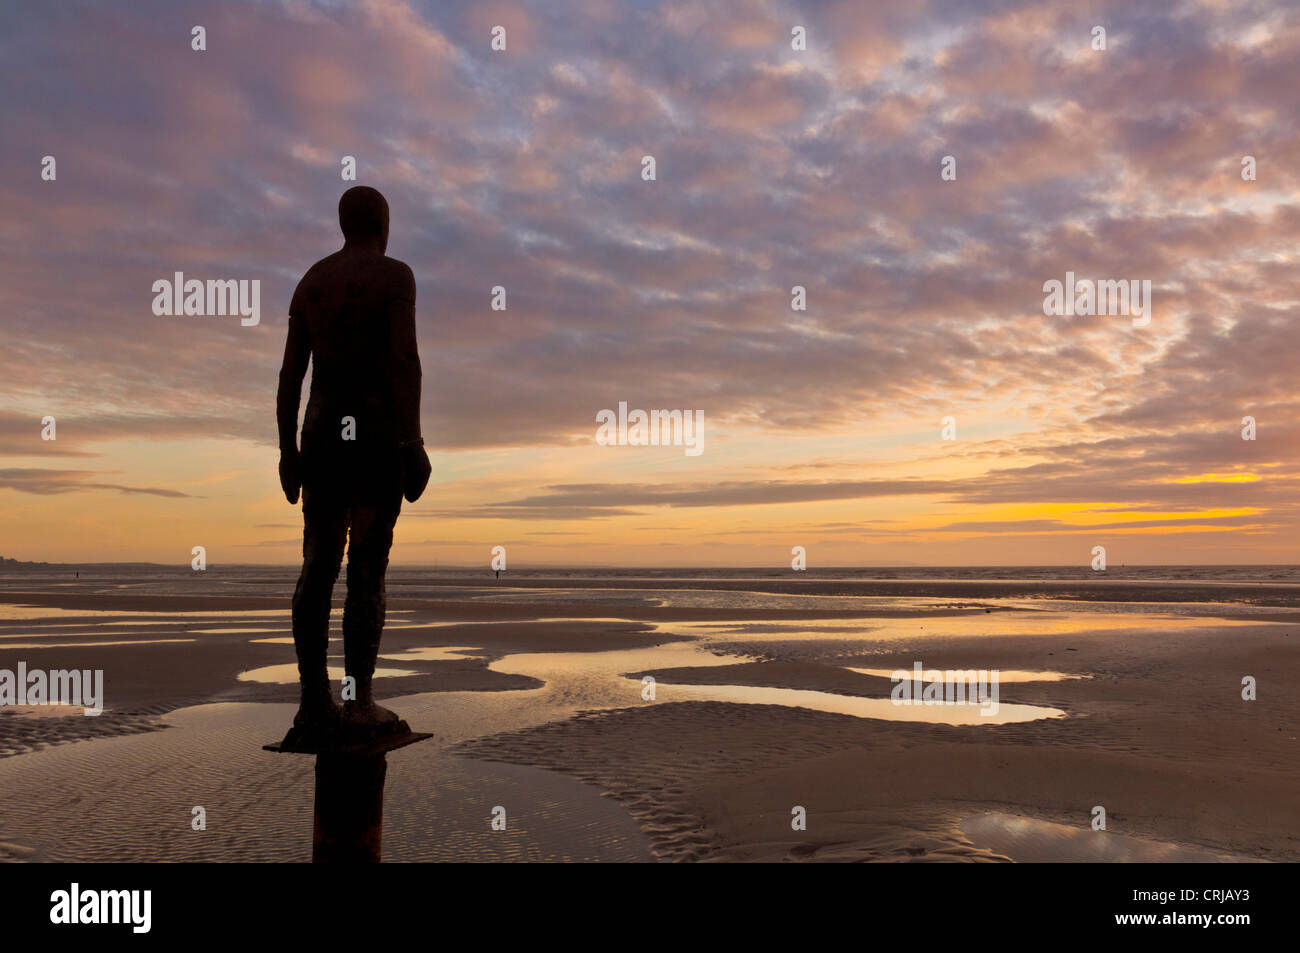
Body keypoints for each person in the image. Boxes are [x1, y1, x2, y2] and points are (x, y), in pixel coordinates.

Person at [276, 186, 432, 743]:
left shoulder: (312, 282)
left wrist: (286, 449)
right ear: (382, 224)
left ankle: (313, 702)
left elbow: (290, 377)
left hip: (319, 438)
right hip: (373, 438)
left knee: (317, 566)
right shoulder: (395, 277)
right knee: (366, 567)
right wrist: (412, 443)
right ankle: (359, 699)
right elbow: (405, 361)